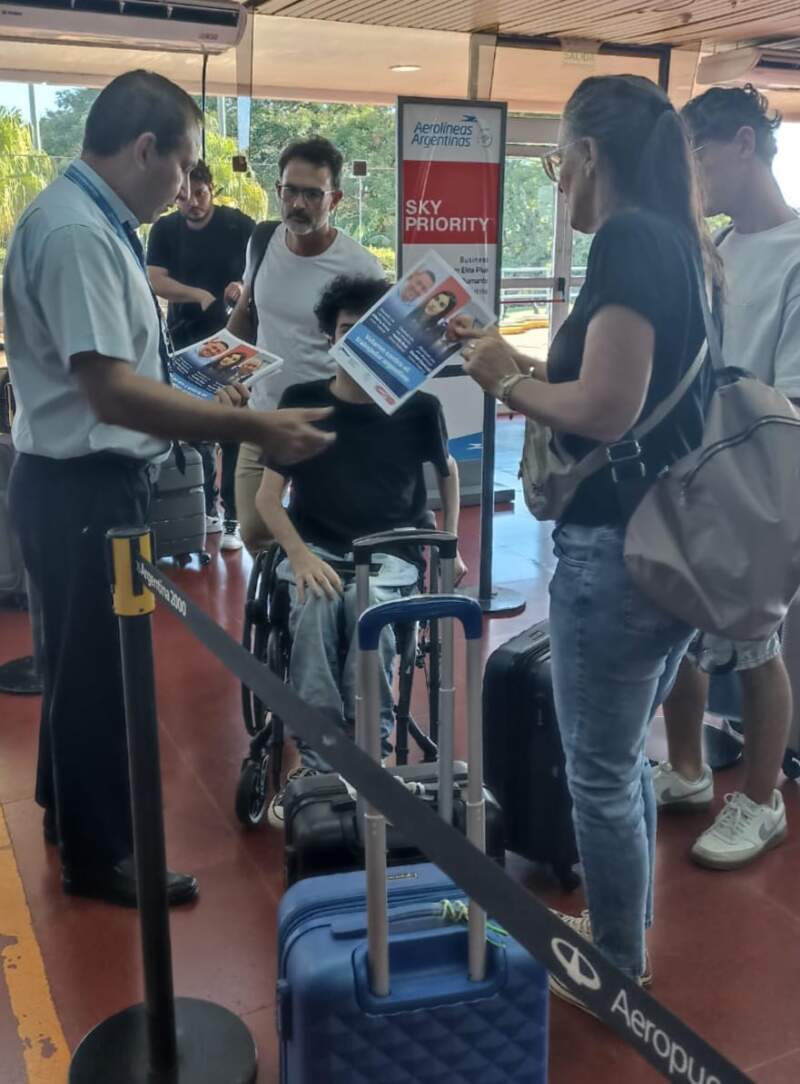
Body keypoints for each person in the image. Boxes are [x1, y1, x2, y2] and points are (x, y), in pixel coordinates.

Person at [4, 69, 333, 908]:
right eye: (184, 162)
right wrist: (254, 427)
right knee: (97, 675)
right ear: (145, 149)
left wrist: (187, 390)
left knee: (73, 661)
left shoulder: (86, 220)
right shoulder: (79, 234)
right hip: (86, 486)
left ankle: (63, 810)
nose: (189, 184)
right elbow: (111, 393)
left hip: (74, 479)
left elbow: (119, 374)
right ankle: (99, 856)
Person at [457, 74, 717, 1008]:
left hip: (616, 553)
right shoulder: (677, 244)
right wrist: (518, 362)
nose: (555, 174)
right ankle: (623, 926)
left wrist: (507, 383)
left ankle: (613, 968)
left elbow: (606, 409)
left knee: (598, 771)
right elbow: (623, 386)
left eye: (556, 156)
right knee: (624, 760)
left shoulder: (627, 241)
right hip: (668, 542)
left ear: (591, 155)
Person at [254, 274, 467, 826]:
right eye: (346, 330)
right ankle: (321, 760)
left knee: (364, 608)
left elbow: (448, 472)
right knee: (319, 605)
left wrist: (454, 545)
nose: (356, 341)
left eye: (369, 330)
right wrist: (299, 557)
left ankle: (368, 751)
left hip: (392, 551)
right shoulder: (302, 402)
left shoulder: (419, 408)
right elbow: (267, 499)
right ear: (330, 337)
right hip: (317, 546)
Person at [654, 85, 799, 869]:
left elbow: (787, 398)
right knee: (679, 619)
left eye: (699, 157)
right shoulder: (716, 246)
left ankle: (761, 798)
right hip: (693, 467)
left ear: (743, 144)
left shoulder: (797, 255)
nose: (694, 177)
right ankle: (685, 769)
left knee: (754, 638)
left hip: (761, 471)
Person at [227, 137, 383, 554]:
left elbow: (373, 359)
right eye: (290, 190)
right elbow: (245, 315)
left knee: (328, 541)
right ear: (278, 190)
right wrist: (216, 373)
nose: (298, 203)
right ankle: (278, 610)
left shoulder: (360, 267)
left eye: (313, 194)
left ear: (335, 199)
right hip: (262, 415)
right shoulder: (262, 240)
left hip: (326, 425)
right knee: (255, 531)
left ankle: (313, 610)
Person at [148, 160, 254, 551]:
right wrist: (197, 295)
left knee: (231, 426)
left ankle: (233, 519)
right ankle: (205, 506)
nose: (192, 202)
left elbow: (259, 270)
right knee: (196, 429)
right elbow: (155, 279)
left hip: (233, 340)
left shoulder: (237, 225)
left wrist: (240, 285)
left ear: (212, 189)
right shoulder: (165, 229)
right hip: (185, 338)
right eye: (182, 196)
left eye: (200, 193)